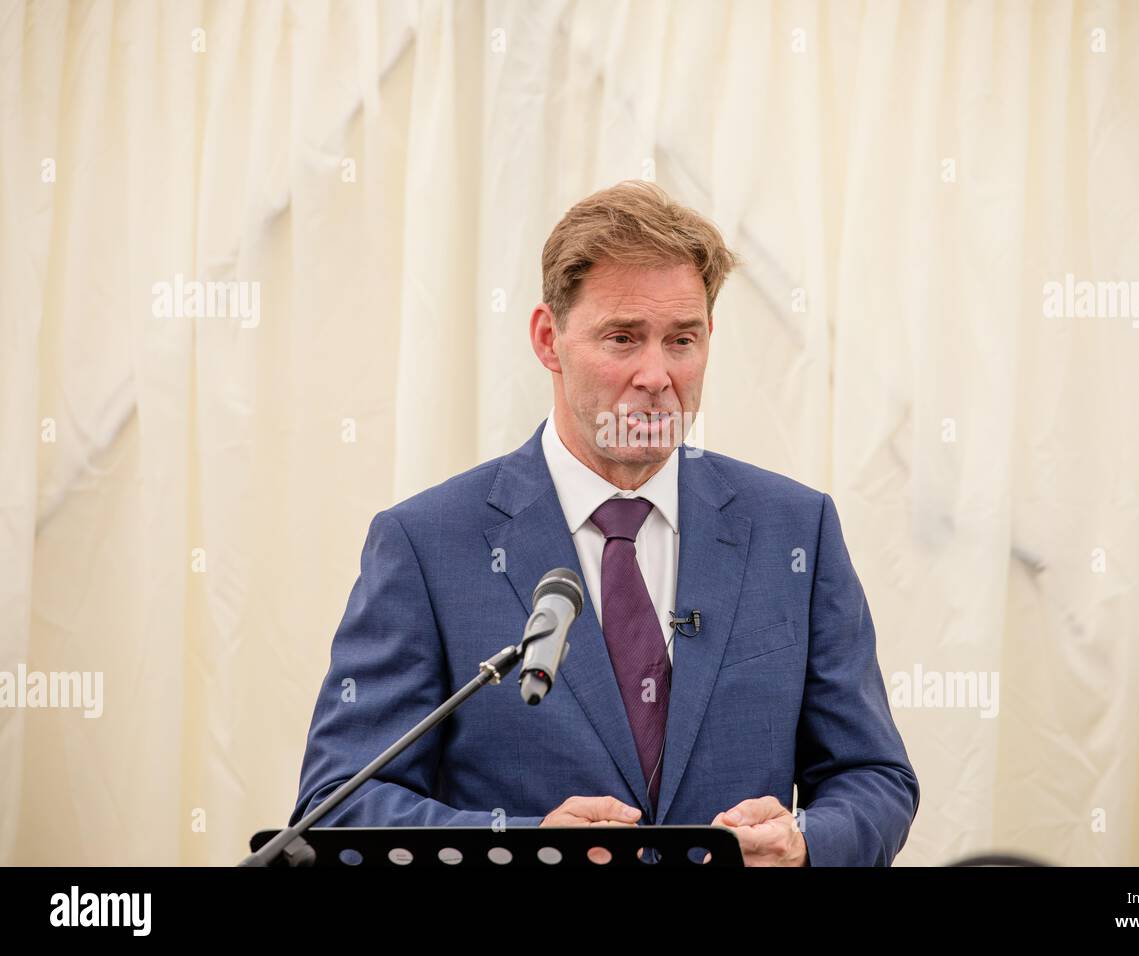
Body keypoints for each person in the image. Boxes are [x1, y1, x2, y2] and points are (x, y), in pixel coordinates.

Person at [290, 181, 919, 865]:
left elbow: (874, 776)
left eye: (682, 340)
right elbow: (339, 805)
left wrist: (805, 844)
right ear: (548, 339)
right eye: (623, 338)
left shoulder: (796, 530)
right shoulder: (426, 545)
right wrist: (528, 849)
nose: (657, 374)